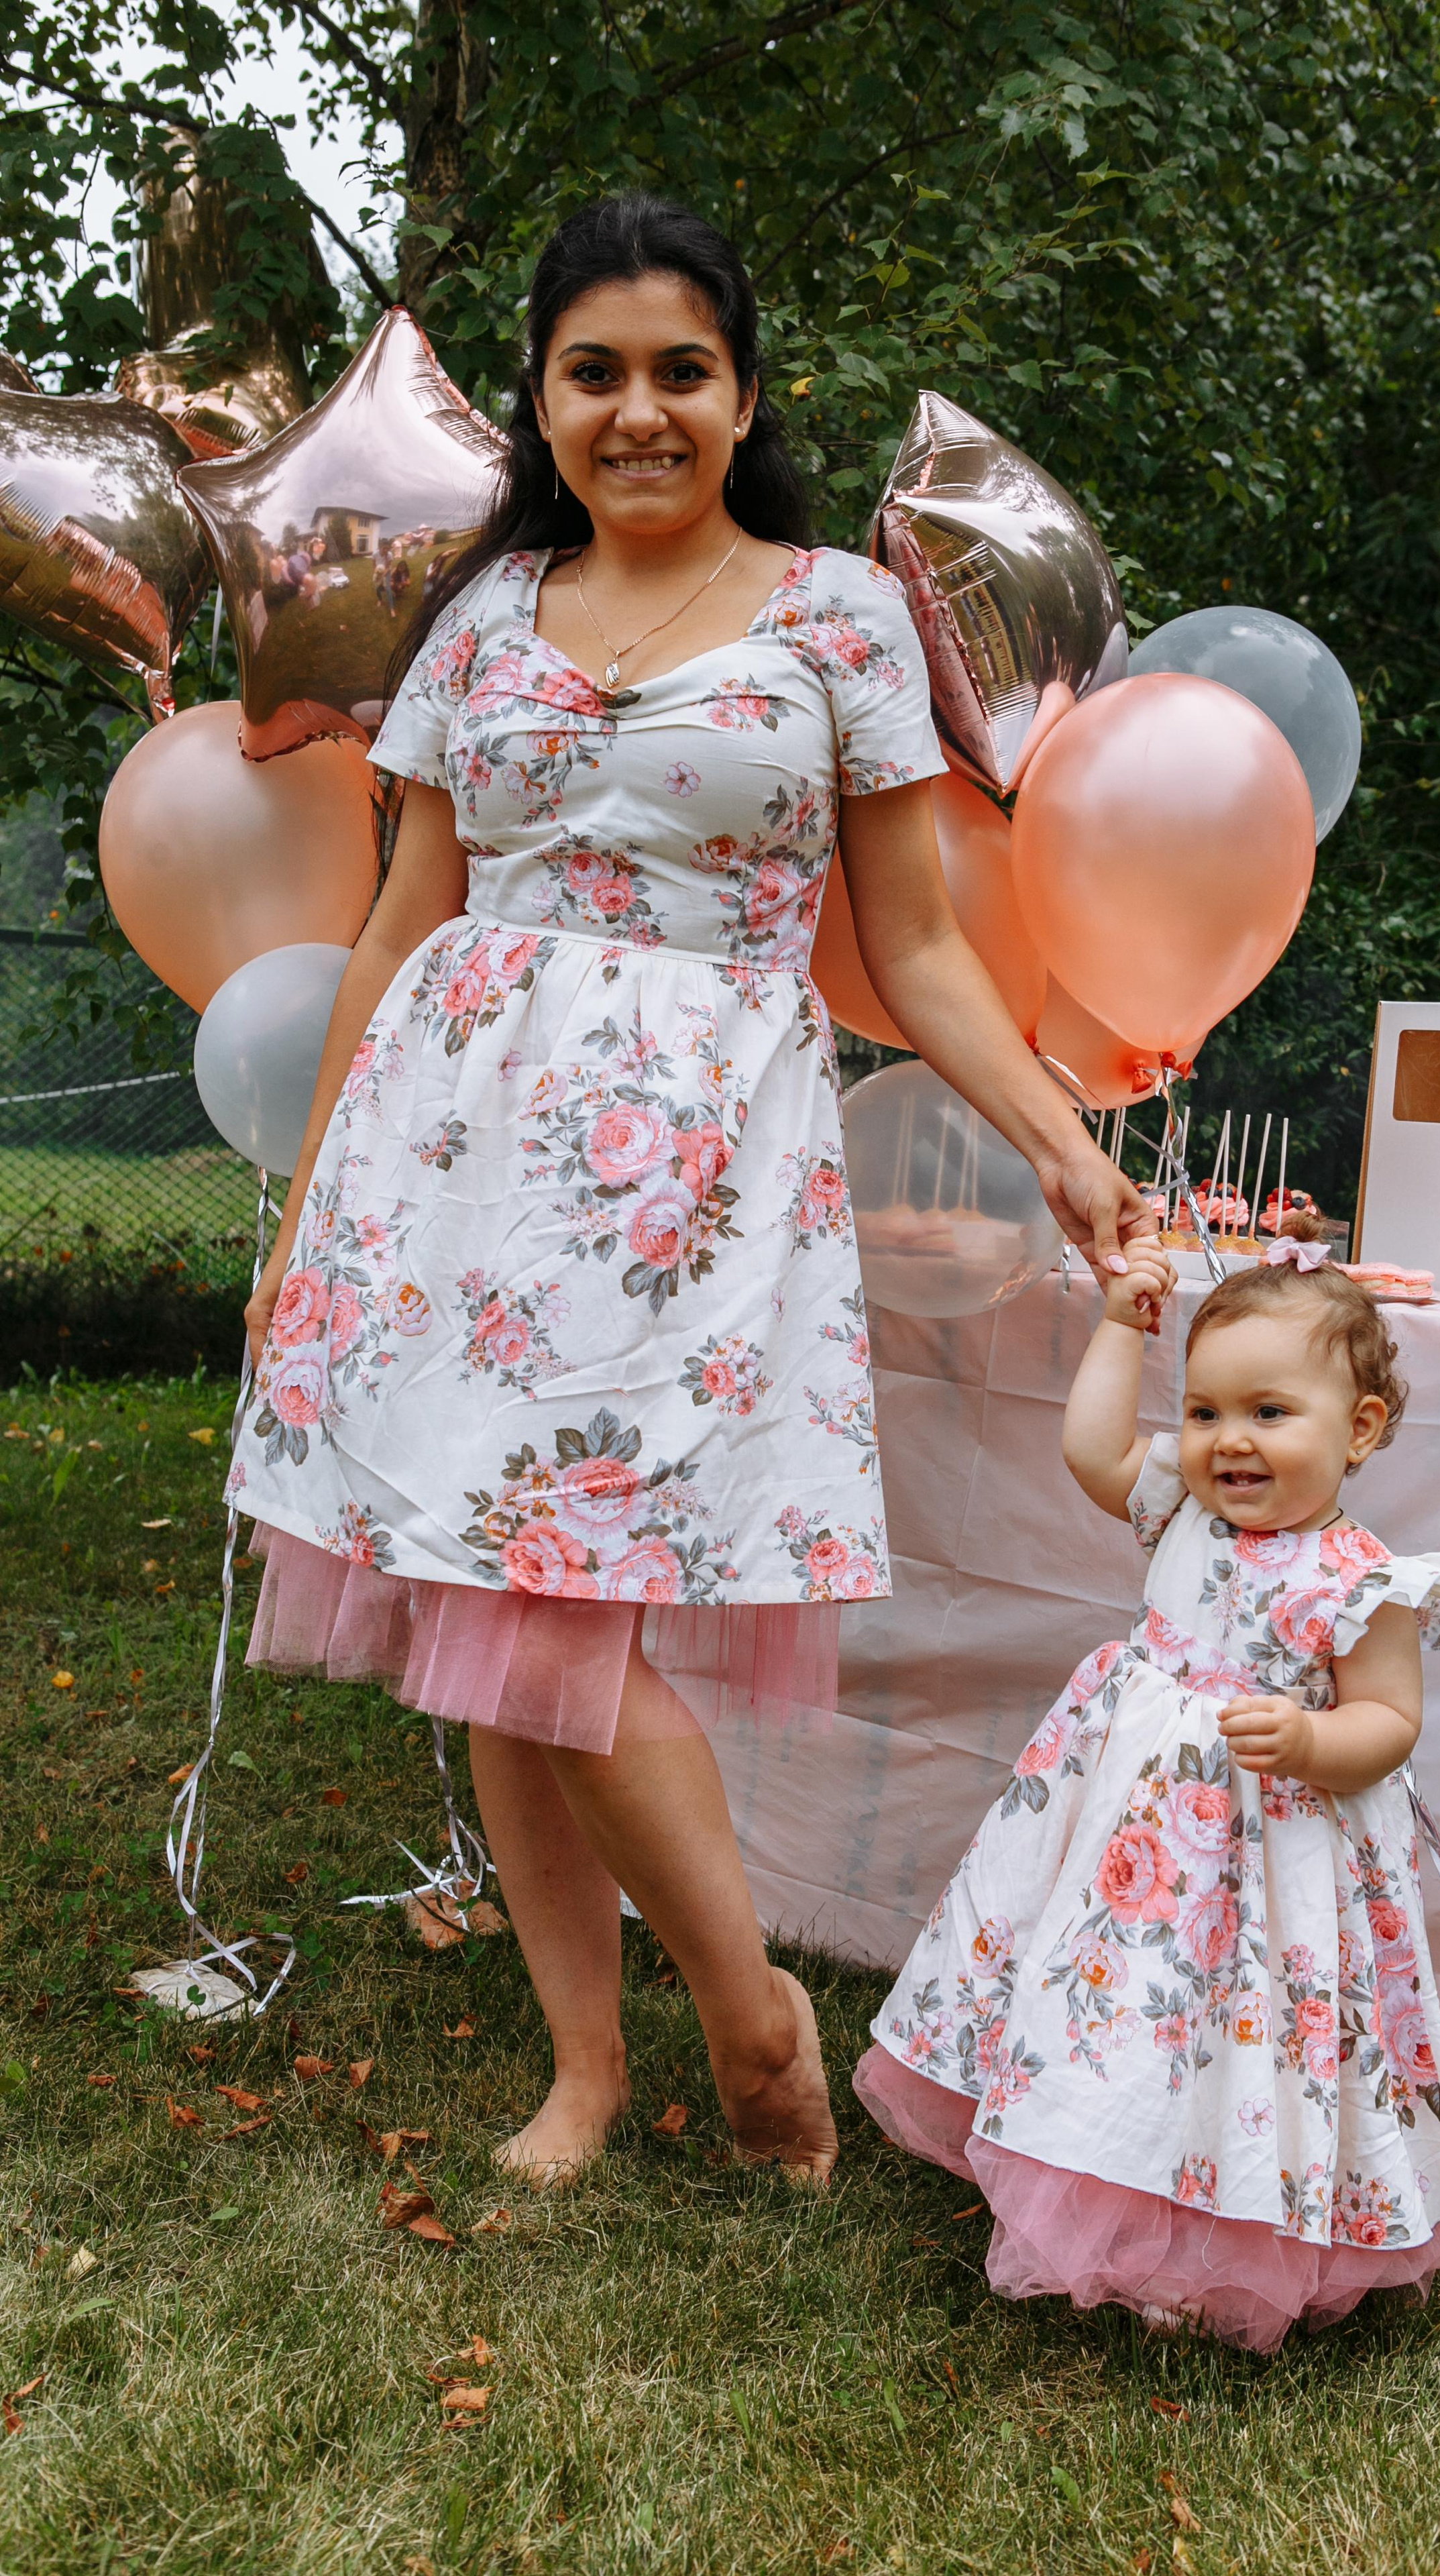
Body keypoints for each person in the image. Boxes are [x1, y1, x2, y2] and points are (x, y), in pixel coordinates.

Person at [232, 193, 1145, 2190]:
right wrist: (310, 1222)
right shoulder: (476, 621)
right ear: (541, 404)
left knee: (558, 1622)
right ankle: (586, 2069)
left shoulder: (836, 616)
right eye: (593, 372)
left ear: (740, 396)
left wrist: (1068, 1146)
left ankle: (753, 2025)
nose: (637, 409)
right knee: (491, 1599)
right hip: (451, 1172)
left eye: (679, 371)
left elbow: (911, 949)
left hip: (686, 1174)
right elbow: (399, 931)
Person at [854, 1228, 1440, 2352]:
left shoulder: (1366, 1584)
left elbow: (1390, 1721)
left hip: (1274, 1870)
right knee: (1125, 2017)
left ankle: (1237, 2236)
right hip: (1131, 1849)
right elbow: (1095, 1455)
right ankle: (1105, 2192)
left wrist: (1310, 1736)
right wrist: (1116, 1327)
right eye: (1204, 1413)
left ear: (1362, 1430)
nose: (1227, 1442)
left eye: (1267, 1414)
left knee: (1239, 2044)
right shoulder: (1186, 1513)